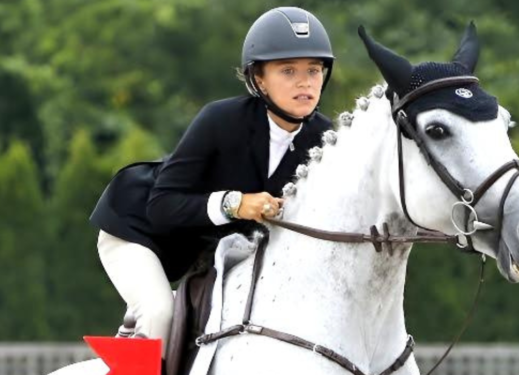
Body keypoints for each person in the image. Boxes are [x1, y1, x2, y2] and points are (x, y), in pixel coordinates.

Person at [88, 6, 335, 356]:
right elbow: (162, 207)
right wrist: (235, 203)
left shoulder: (323, 138)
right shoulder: (220, 119)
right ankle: (138, 335)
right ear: (259, 79)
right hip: (138, 229)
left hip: (203, 251)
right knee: (159, 312)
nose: (305, 81)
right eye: (288, 70)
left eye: (314, 70)